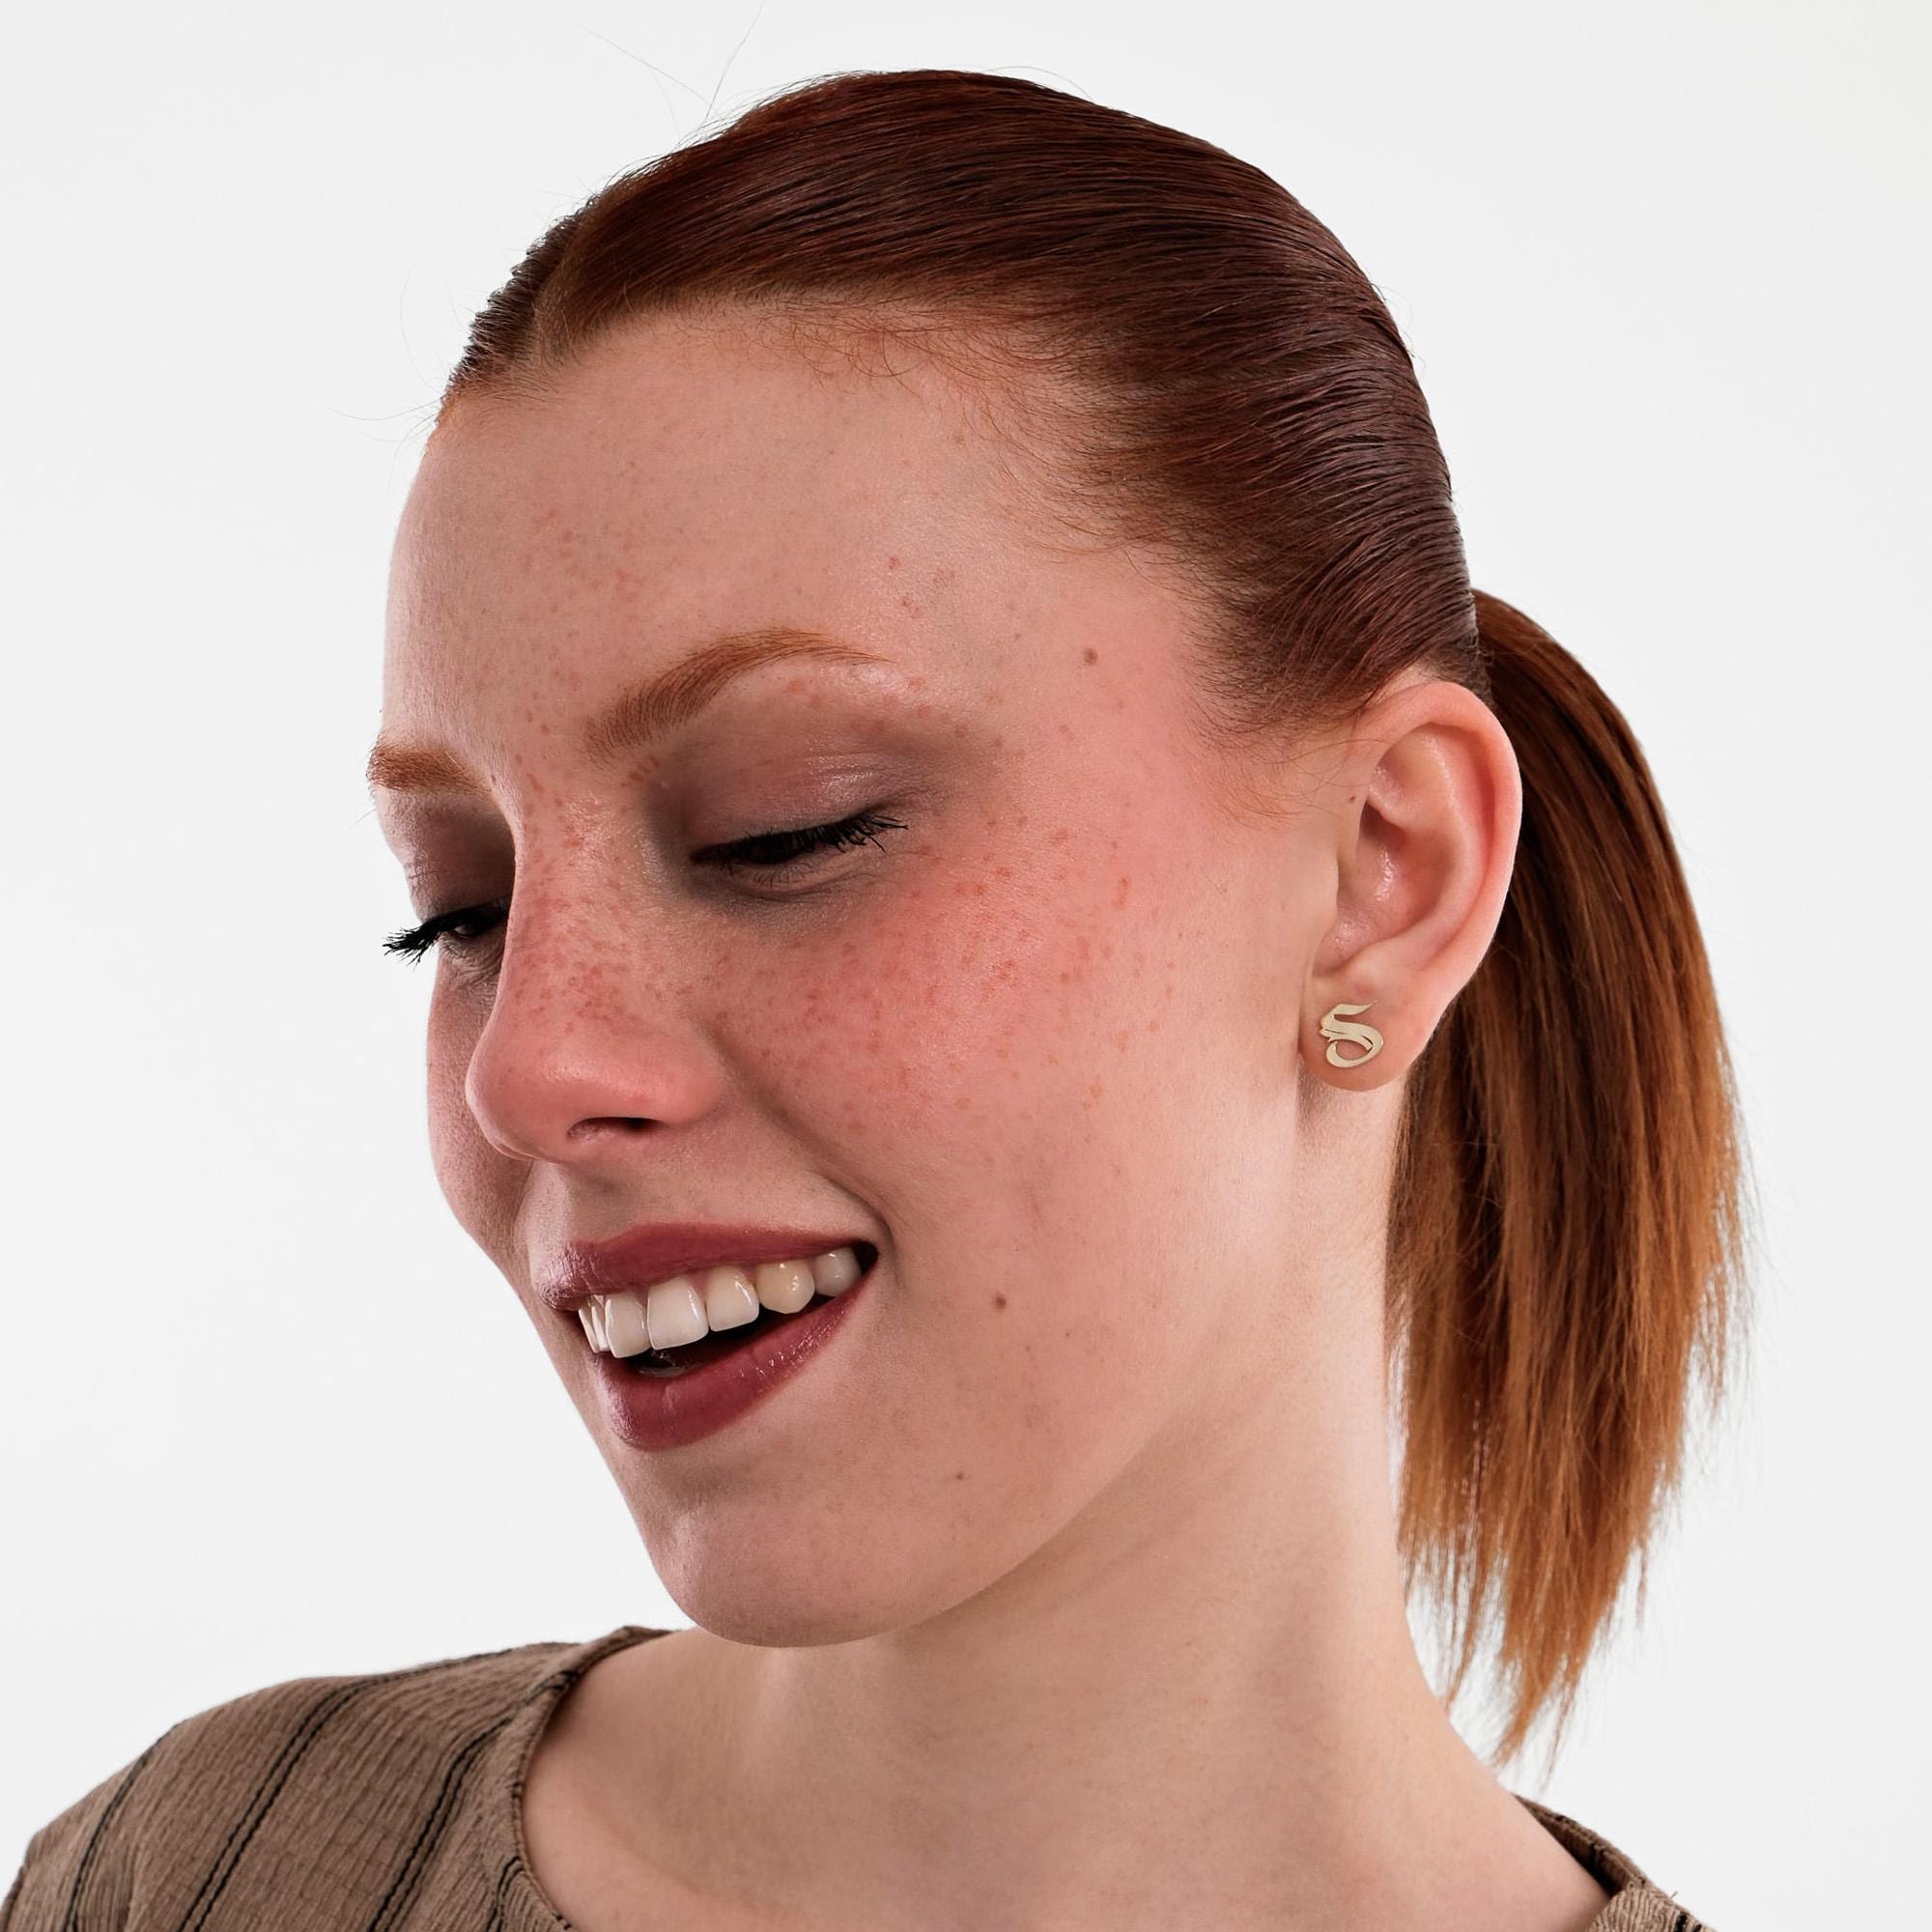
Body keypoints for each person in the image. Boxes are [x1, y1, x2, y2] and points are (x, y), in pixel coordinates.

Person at [6, 68, 1750, 1932]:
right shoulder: (203, 1880)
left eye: (786, 831)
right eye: (463, 912)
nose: (528, 1068)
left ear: (1383, 875)